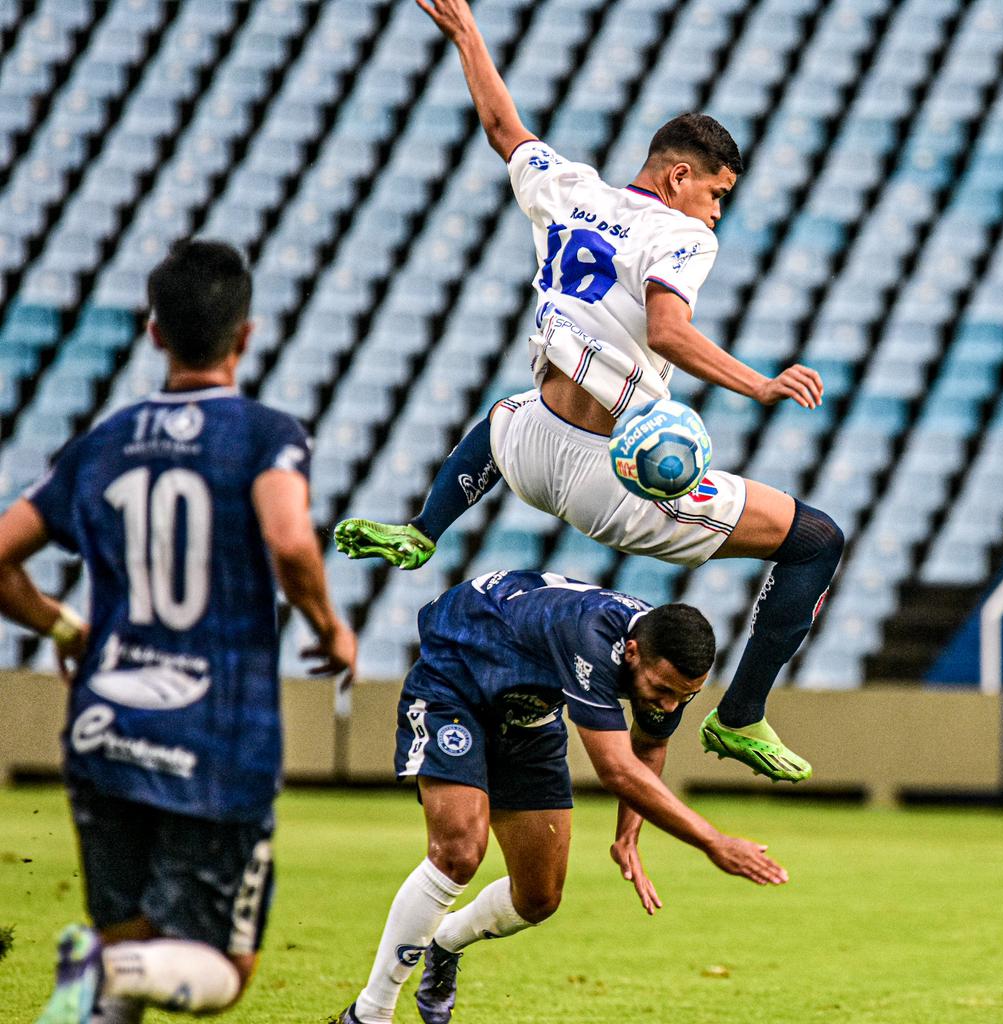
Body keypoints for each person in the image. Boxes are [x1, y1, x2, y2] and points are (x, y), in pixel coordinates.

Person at [335, 0, 844, 784]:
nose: (717, 211)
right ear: (681, 177)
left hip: (533, 451)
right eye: (717, 193)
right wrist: (760, 385)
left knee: (508, 411)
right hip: (617, 474)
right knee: (814, 539)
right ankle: (740, 716)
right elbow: (669, 332)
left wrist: (467, 34)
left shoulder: (569, 189)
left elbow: (504, 127)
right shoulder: (680, 234)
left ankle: (425, 528)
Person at [2, 239, 358, 1024]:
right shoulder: (265, 434)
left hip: (103, 725)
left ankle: (102, 972)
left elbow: (1, 556)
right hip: (216, 739)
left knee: (126, 969)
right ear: (247, 335)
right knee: (219, 974)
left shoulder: (103, 442)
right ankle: (99, 966)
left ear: (154, 332)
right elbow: (292, 538)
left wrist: (63, 627)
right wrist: (331, 629)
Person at [330, 569, 787, 1024]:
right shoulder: (590, 635)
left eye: (684, 696)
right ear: (631, 653)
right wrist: (713, 841)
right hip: (456, 687)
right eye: (663, 691)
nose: (669, 705)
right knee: (460, 852)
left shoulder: (668, 663)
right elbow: (617, 770)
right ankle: (370, 1013)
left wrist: (627, 835)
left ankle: (444, 941)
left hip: (531, 712)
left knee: (538, 898)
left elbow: (648, 745)